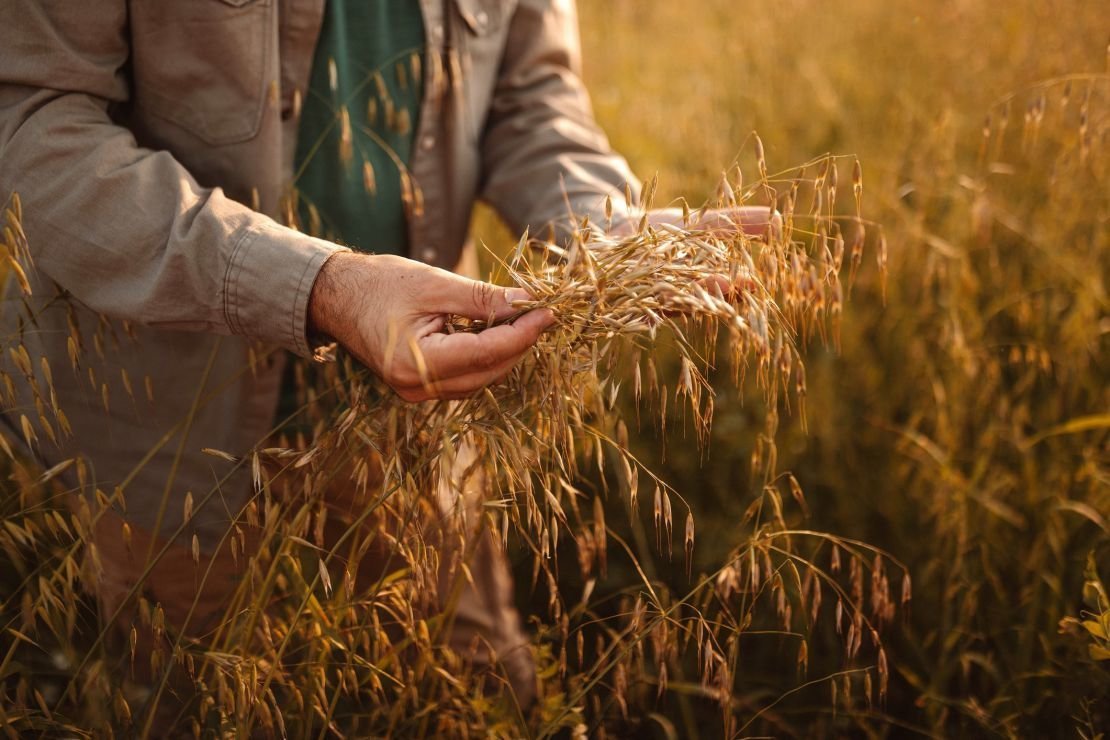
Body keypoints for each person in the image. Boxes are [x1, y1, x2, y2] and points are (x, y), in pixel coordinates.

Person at [0, 0, 772, 728]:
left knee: (478, 701)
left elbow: (529, 101)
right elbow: (31, 123)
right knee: (201, 710)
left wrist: (606, 228)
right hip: (174, 445)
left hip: (424, 438)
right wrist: (320, 288)